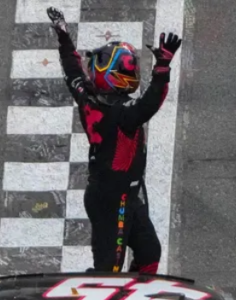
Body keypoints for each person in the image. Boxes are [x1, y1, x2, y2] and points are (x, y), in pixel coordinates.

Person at [46, 7, 182, 274]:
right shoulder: (121, 115)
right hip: (111, 200)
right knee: (109, 272)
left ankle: (133, 294)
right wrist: (162, 67)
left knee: (149, 253)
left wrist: (63, 36)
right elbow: (150, 103)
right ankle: (102, 299)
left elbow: (73, 70)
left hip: (123, 195)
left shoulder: (88, 97)